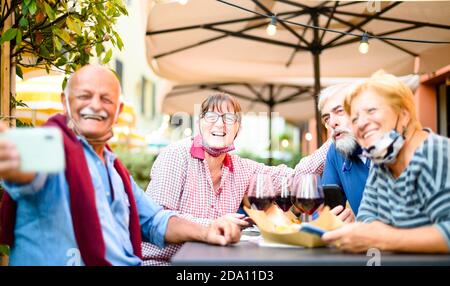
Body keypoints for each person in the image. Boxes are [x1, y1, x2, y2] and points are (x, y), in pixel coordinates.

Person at [0, 64, 240, 266]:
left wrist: (207, 231)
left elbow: (155, 220)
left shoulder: (114, 168)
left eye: (106, 99)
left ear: (118, 111)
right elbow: (27, 165)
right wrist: (15, 158)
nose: (95, 105)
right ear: (65, 103)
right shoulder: (53, 147)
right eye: (84, 96)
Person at [142, 93, 331, 265]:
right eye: (211, 116)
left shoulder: (242, 168)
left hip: (208, 263)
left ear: (238, 129)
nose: (219, 124)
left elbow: (294, 177)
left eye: (229, 118)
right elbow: (156, 218)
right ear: (200, 122)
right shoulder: (175, 155)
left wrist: (334, 140)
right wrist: (214, 223)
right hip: (161, 261)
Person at [322, 71, 450, 253]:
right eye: (355, 118)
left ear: (404, 114)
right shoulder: (382, 161)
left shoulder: (436, 153)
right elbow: (367, 219)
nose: (361, 123)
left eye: (371, 111)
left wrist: (384, 239)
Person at [319, 83, 370, 221]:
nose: (332, 123)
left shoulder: (388, 150)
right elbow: (325, 209)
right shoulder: (335, 152)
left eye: (339, 111)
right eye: (326, 118)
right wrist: (331, 220)